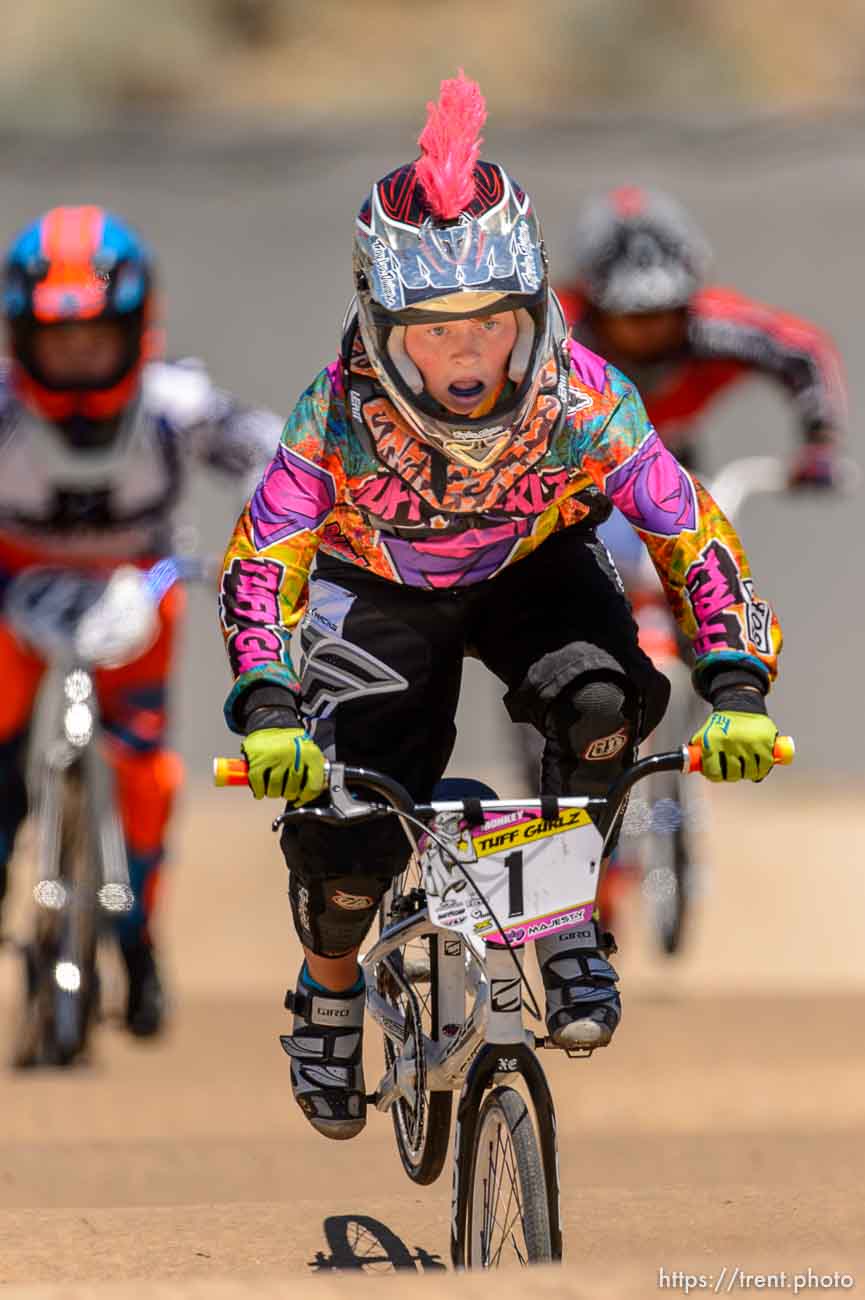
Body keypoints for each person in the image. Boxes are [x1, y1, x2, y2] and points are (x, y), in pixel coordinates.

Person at [219, 72, 784, 1141]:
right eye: (434, 334)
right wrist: (267, 707)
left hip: (531, 568)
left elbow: (687, 528)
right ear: (379, 324)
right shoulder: (329, 416)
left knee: (608, 701)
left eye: (489, 326)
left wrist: (737, 683)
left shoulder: (583, 397)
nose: (468, 358)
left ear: (533, 308)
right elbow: (262, 563)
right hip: (374, 590)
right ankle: (328, 987)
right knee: (345, 833)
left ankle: (566, 913)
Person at [0, 205, 282, 1037]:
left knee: (146, 775)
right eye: (58, 340)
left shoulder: (174, 404)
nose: (79, 358)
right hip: (13, 590)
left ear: (135, 330)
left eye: (96, 338)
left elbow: (275, 458)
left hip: (138, 588)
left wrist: (269, 545)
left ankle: (138, 930)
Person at [554, 186, 845, 925]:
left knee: (707, 591)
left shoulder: (723, 330)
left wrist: (818, 447)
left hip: (670, 473)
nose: (647, 333)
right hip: (575, 483)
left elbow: (804, 354)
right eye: (630, 314)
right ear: (593, 301)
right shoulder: (550, 334)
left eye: (662, 313)